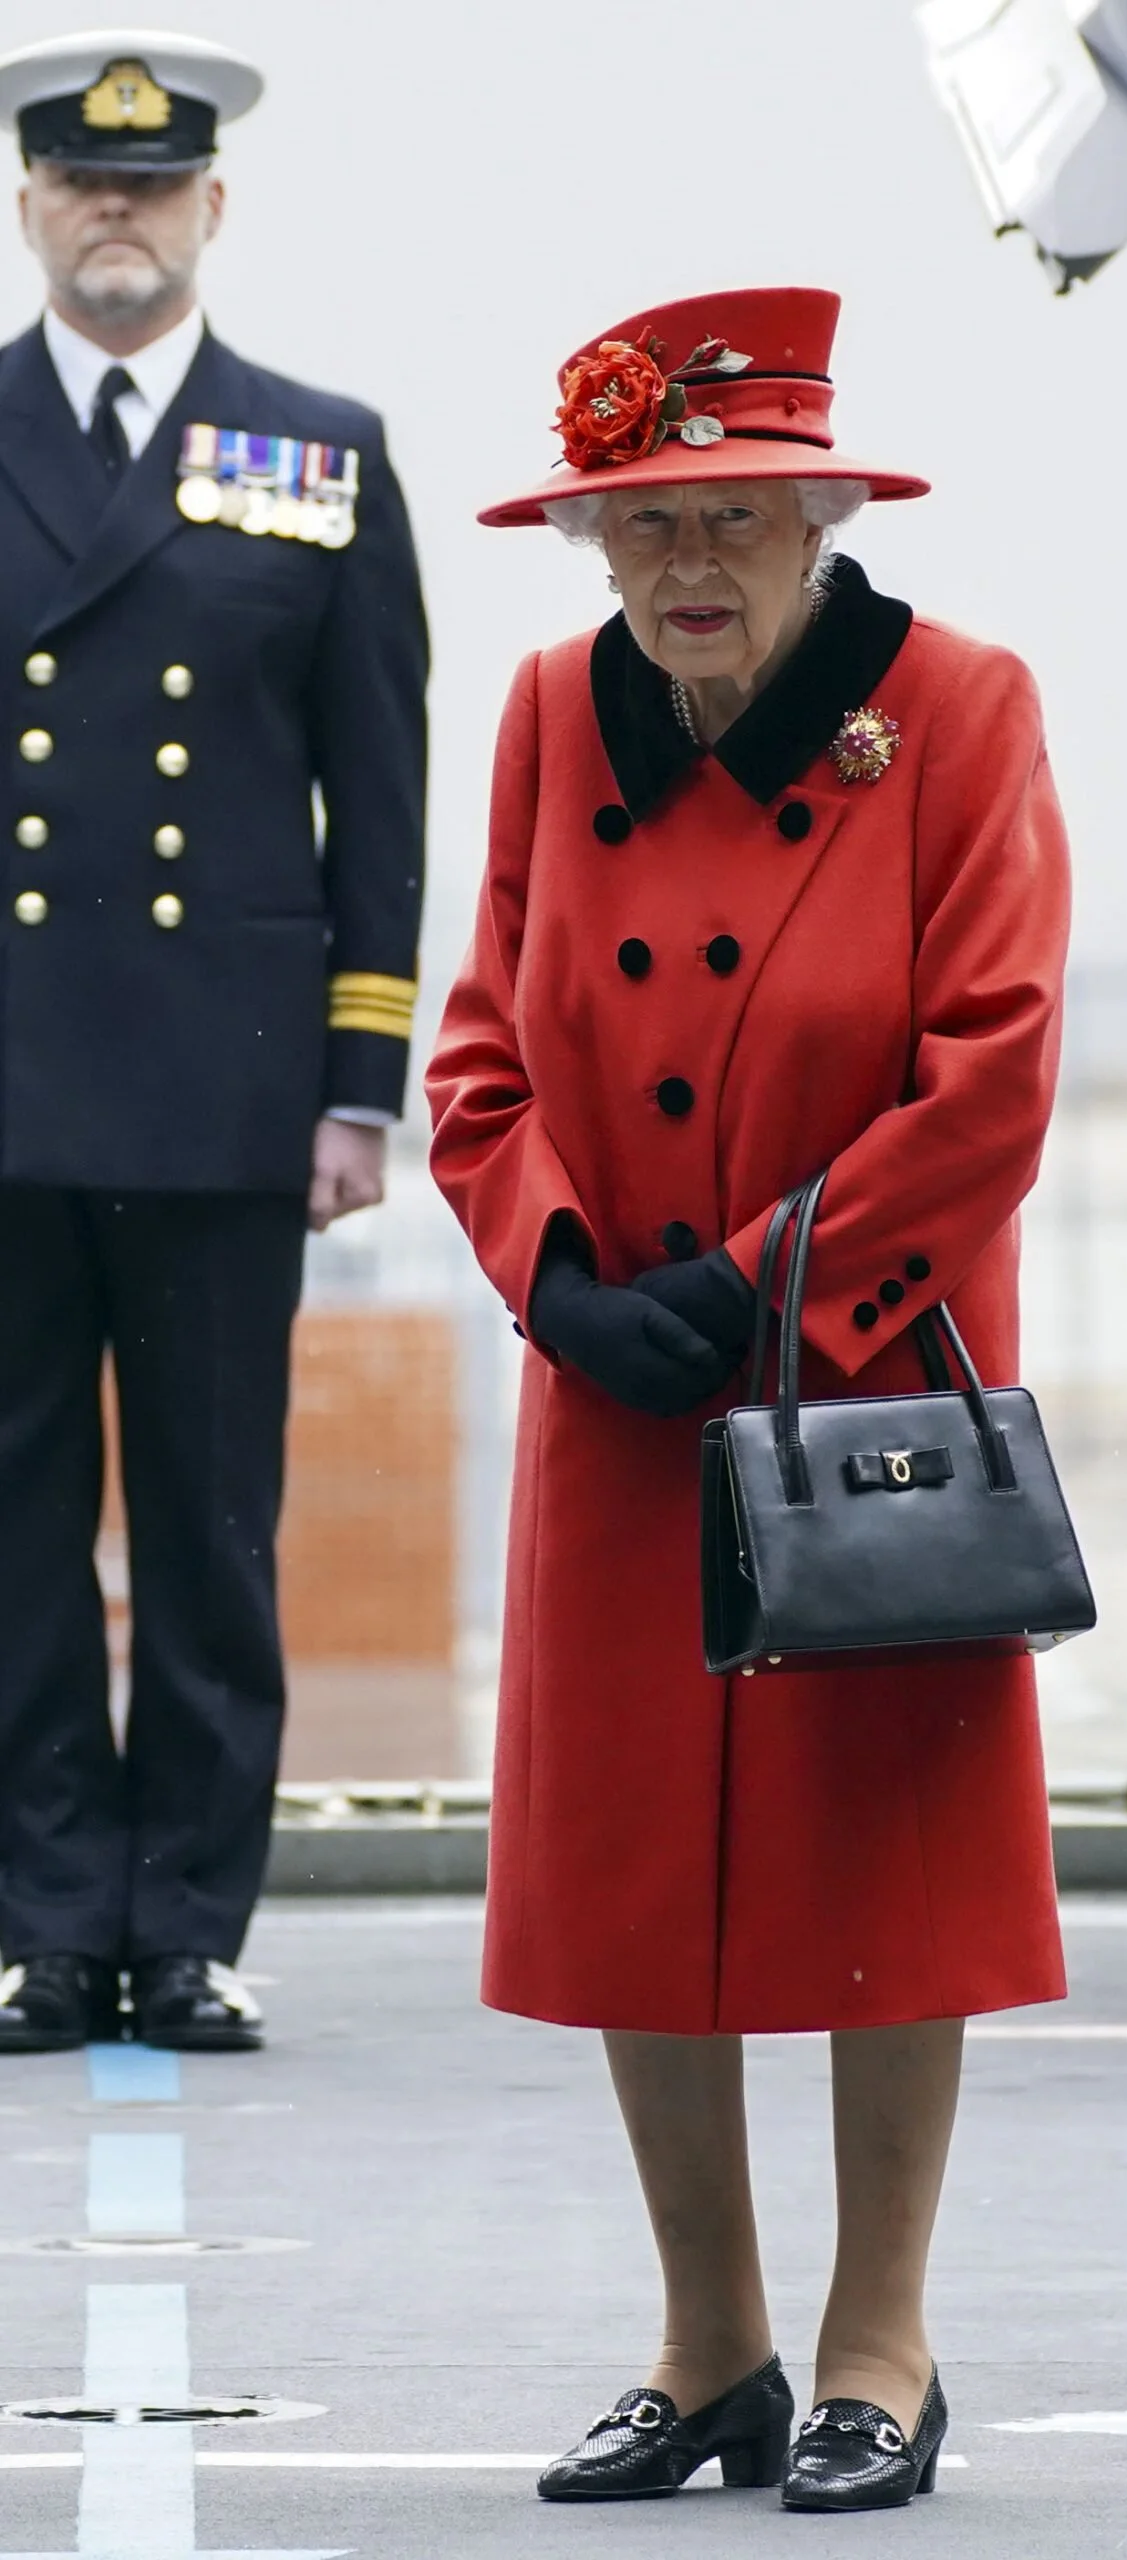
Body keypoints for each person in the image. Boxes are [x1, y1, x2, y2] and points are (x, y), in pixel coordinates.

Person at [427, 286, 1069, 2514]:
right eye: (638, 523)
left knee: (876, 1853)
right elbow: (478, 1054)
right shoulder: (544, 714)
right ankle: (707, 2348)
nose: (681, 562)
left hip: (858, 1382)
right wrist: (557, 1268)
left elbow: (990, 1072)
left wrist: (774, 1278)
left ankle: (877, 2340)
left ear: (816, 513)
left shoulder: (957, 709)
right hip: (622, 1409)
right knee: (636, 1868)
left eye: (724, 516)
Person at [0, 32, 428, 2056]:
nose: (116, 213)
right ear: (28, 202)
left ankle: (185, 1924)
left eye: (153, 188)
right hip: (6, 1077)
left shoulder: (316, 453)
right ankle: (38, 1919)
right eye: (84, 184)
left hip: (227, 1079)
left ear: (210, 213)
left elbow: (381, 786)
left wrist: (360, 1079)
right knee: (5, 1521)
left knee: (206, 1521)